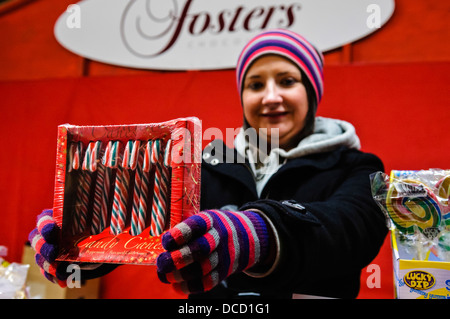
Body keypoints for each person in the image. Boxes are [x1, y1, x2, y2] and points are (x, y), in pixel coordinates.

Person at [29, 29, 388, 299]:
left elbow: (352, 229)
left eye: (288, 81)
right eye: (255, 84)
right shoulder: (203, 167)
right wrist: (79, 245)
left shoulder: (357, 166)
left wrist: (256, 234)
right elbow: (145, 230)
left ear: (312, 93)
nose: (271, 96)